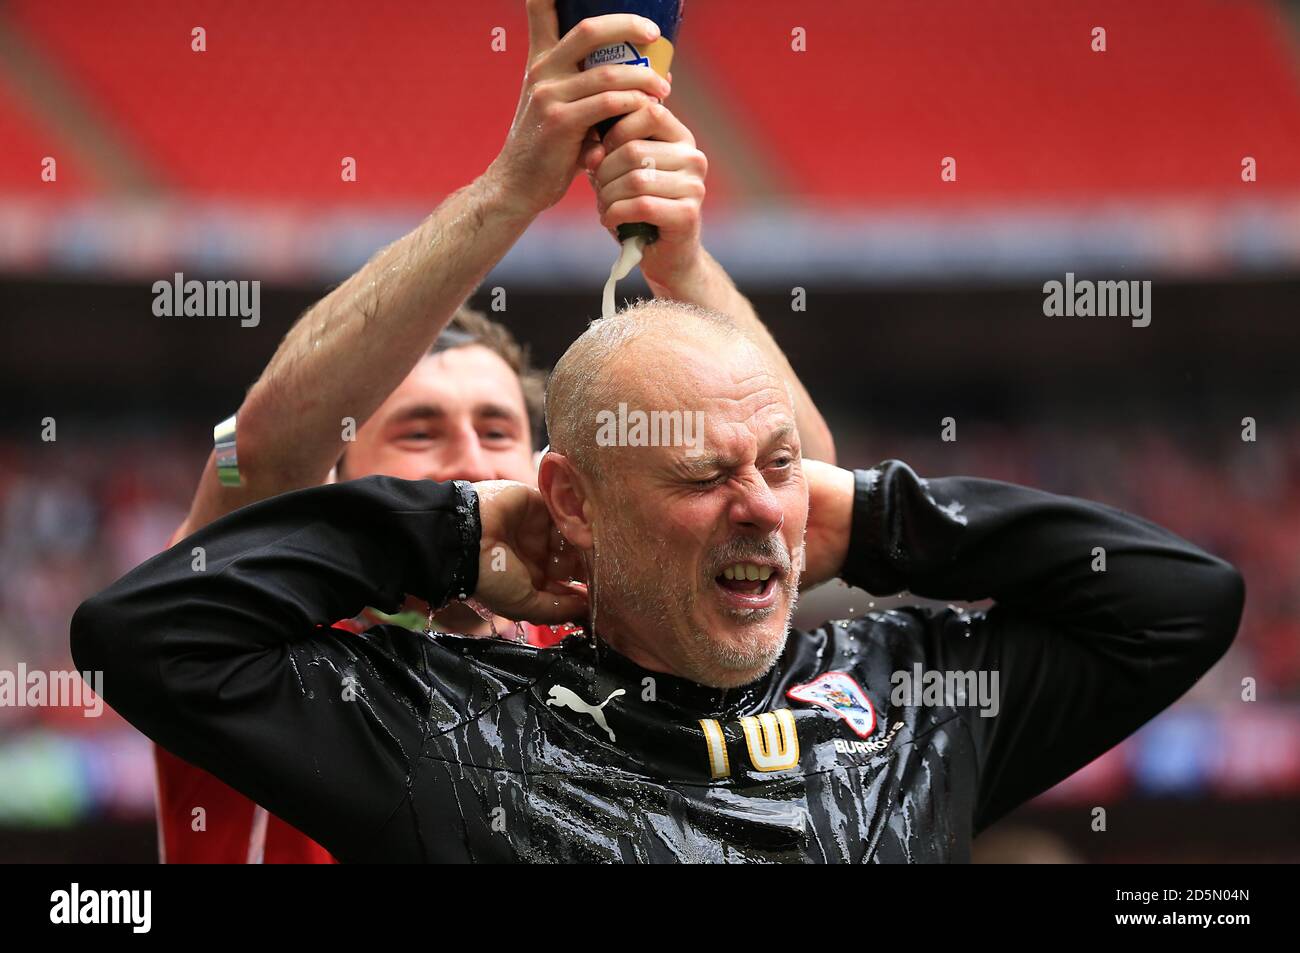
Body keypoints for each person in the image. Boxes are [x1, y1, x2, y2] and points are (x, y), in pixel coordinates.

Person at [73, 299, 1244, 862]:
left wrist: (877, 514)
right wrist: (451, 530)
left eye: (778, 467)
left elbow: (1175, 599)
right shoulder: (437, 724)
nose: (757, 507)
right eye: (698, 475)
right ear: (570, 501)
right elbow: (151, 620)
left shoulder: (902, 707)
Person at [149, 2, 834, 862]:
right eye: (419, 431)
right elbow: (259, 451)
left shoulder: (594, 647)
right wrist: (512, 190)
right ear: (340, 485)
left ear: (555, 487)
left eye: (497, 428)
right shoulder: (256, 633)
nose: (471, 458)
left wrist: (682, 262)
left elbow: (800, 470)